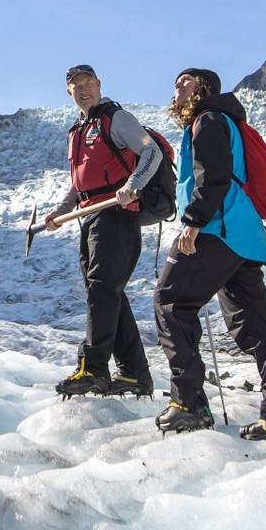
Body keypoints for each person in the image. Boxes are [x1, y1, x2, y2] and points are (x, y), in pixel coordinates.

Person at [151, 69, 266, 447]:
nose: (177, 87)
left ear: (203, 88)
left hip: (216, 230)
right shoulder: (224, 120)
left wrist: (193, 223)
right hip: (242, 236)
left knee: (170, 300)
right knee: (254, 325)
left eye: (185, 81)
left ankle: (188, 403)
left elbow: (213, 177)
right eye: (176, 82)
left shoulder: (208, 120)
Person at [44, 64, 160, 398]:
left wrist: (133, 185)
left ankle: (93, 368)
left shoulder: (115, 118)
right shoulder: (77, 130)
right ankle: (135, 373)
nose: (83, 90)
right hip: (91, 216)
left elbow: (149, 150)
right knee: (108, 292)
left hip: (117, 213)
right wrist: (62, 211)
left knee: (101, 288)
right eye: (76, 86)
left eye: (88, 83)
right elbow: (81, 183)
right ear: (69, 92)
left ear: (99, 84)